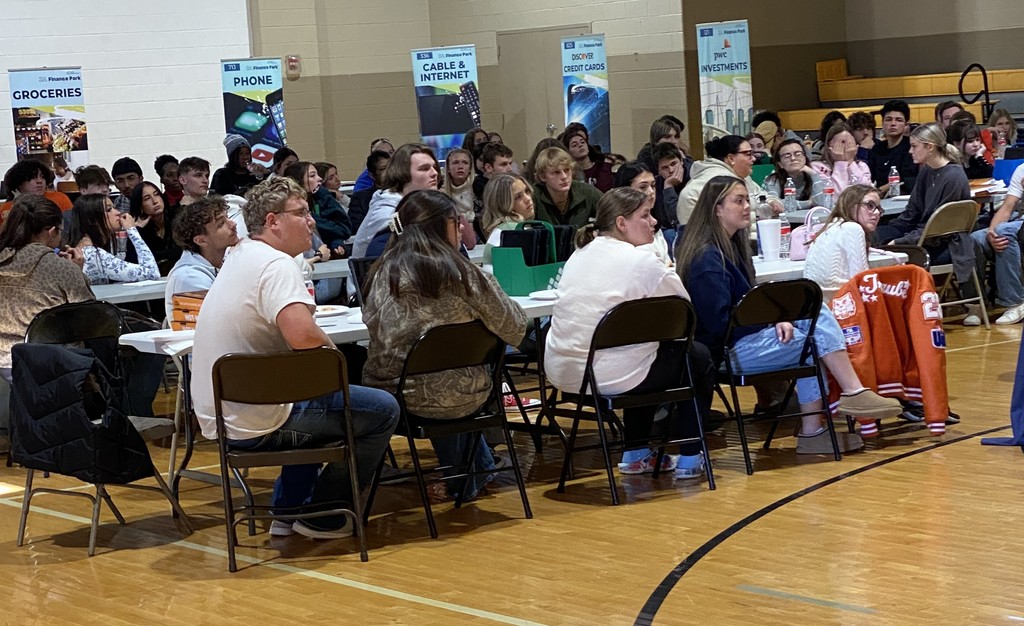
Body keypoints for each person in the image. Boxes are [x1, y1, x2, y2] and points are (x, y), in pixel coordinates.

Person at [190, 177, 400, 539]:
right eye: (301, 213)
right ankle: (322, 515)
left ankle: (288, 510)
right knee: (382, 410)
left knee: (315, 398)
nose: (312, 221)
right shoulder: (275, 264)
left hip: (221, 415)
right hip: (254, 420)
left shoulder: (241, 255)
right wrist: (333, 355)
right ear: (273, 222)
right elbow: (302, 336)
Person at [675, 175, 902, 453]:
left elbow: (747, 306)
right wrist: (768, 322)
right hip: (725, 352)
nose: (747, 206)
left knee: (811, 320)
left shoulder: (730, 248)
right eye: (739, 200)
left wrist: (776, 318)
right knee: (813, 337)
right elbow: (718, 324)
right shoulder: (707, 259)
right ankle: (847, 397)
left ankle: (818, 427)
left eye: (747, 199)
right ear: (717, 209)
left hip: (741, 341)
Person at [362, 190, 525, 502]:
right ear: (441, 227)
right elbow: (515, 328)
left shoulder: (382, 274)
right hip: (467, 395)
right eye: (456, 221)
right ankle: (473, 474)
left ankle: (470, 474)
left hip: (399, 399)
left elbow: (373, 329)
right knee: (460, 367)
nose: (462, 227)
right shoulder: (465, 274)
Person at [545, 188, 713, 477]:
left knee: (644, 352)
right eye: (645, 215)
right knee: (696, 357)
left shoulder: (579, 254)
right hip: (611, 375)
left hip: (564, 373)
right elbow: (684, 315)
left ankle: (635, 453)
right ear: (621, 223)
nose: (655, 222)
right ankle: (690, 455)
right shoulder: (642, 261)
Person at [0, 195, 92, 452]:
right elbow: (90, 317)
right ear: (51, 231)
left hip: (8, 365)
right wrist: (78, 270)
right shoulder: (60, 268)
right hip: (57, 366)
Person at [874, 123, 971, 248]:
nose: (910, 151)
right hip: (920, 233)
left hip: (944, 242)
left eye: (914, 146)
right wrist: (887, 230)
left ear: (929, 147)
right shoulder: (926, 170)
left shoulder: (954, 177)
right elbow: (912, 212)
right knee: (871, 236)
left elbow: (940, 228)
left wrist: (900, 241)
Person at [352, 143, 438, 257]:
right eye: (424, 169)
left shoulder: (421, 205)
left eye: (434, 167)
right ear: (402, 173)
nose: (434, 173)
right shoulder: (385, 215)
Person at [803, 184, 885, 302]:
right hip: (841, 307)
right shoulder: (852, 228)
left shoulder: (830, 226)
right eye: (870, 205)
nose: (876, 213)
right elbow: (863, 281)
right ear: (851, 205)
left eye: (879, 208)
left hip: (818, 308)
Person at [163, 196, 239, 321]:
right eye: (221, 224)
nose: (233, 224)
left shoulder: (226, 261)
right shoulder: (188, 278)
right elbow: (212, 327)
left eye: (228, 218)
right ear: (201, 240)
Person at [677, 135, 782, 226]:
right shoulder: (716, 180)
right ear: (731, 158)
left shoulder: (743, 176)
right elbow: (688, 196)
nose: (753, 158)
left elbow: (762, 195)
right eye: (748, 154)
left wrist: (772, 201)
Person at [971, 161, 1024, 325]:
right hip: (1019, 224)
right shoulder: (1022, 169)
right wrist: (991, 233)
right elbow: (1008, 207)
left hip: (1017, 227)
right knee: (976, 239)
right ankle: (976, 303)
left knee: (1005, 233)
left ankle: (1015, 302)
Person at [65, 193, 159, 285]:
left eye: (114, 208)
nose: (118, 213)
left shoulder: (87, 249)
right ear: (91, 220)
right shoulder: (93, 254)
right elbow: (152, 273)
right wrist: (132, 230)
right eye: (109, 209)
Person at [283, 161, 351, 254]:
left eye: (317, 175)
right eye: (312, 176)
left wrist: (335, 241)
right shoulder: (286, 209)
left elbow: (344, 229)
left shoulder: (322, 195)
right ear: (298, 182)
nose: (320, 179)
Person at [612, 160, 671, 262]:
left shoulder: (655, 223)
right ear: (625, 191)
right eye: (643, 187)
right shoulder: (620, 229)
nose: (651, 192)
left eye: (653, 185)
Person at [531, 147, 602, 228]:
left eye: (567, 170)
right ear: (542, 176)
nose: (564, 176)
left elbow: (612, 210)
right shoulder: (533, 196)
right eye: (556, 172)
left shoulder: (586, 191)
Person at [480, 173, 536, 264]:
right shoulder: (509, 229)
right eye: (518, 197)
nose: (528, 199)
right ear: (503, 205)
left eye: (527, 191)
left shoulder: (507, 227)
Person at [867, 99, 918, 195]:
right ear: (882, 123)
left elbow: (906, 178)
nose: (893, 124)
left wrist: (881, 190)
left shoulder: (911, 148)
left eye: (898, 120)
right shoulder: (876, 149)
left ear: (906, 125)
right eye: (888, 119)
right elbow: (870, 177)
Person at [129, 181, 182, 272]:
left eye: (156, 194)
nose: (155, 201)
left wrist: (155, 256)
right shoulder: (140, 229)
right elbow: (132, 261)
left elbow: (182, 251)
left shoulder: (177, 217)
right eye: (147, 198)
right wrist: (137, 230)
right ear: (140, 206)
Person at [764, 139, 829, 210]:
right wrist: (809, 203)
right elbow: (773, 202)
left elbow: (822, 203)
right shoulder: (773, 180)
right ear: (780, 164)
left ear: (804, 158)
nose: (793, 158)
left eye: (798, 154)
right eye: (787, 156)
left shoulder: (814, 177)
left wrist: (814, 174)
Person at [1, 160, 73, 224]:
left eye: (42, 177)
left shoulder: (60, 198)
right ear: (19, 182)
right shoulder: (7, 209)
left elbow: (72, 226)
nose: (39, 181)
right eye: (33, 178)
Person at [811, 122, 873, 193]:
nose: (846, 146)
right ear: (828, 146)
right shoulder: (817, 167)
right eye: (842, 142)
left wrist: (850, 162)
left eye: (850, 142)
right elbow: (835, 196)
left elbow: (866, 192)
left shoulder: (861, 166)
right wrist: (840, 163)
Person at [562, 124, 614, 192]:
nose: (580, 145)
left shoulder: (602, 166)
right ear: (568, 151)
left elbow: (604, 189)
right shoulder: (570, 173)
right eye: (574, 145)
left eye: (582, 142)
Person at [347, 150, 389, 234]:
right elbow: (357, 228)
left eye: (391, 167)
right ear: (372, 175)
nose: (389, 171)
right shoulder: (360, 198)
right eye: (383, 169)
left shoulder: (405, 192)